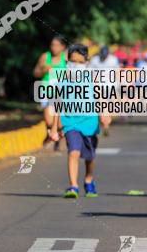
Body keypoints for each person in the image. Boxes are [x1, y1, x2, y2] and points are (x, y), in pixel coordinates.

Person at [60, 44, 111, 198]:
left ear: (87, 62)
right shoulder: (62, 78)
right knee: (73, 152)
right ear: (67, 61)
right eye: (73, 62)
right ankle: (73, 186)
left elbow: (100, 96)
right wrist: (55, 127)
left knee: (90, 157)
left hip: (90, 121)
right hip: (70, 121)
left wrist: (104, 112)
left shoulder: (93, 77)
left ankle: (89, 179)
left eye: (80, 63)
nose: (76, 66)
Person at [33, 35, 68, 149]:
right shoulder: (45, 57)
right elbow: (36, 73)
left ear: (63, 47)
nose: (54, 48)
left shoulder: (66, 58)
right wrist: (43, 69)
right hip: (46, 91)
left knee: (59, 123)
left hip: (62, 93)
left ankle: (56, 137)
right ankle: (52, 134)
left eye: (57, 45)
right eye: (52, 45)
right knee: (48, 121)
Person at [89, 45, 120, 136]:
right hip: (99, 86)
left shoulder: (113, 60)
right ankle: (105, 124)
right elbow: (91, 73)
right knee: (103, 106)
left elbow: (117, 72)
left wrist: (118, 85)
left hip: (111, 86)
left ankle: (105, 123)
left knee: (106, 107)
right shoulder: (95, 60)